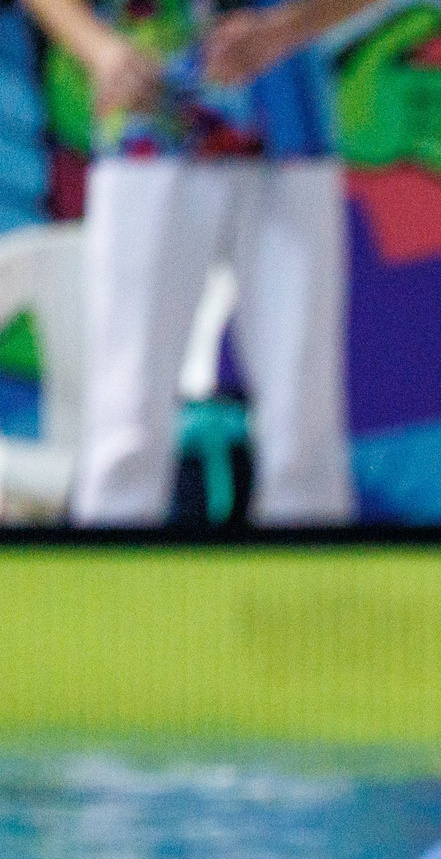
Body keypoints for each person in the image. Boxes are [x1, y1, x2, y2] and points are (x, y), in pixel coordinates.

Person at [23, 0, 379, 525]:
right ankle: (112, 590)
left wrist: (285, 28)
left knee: (302, 415)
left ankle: (306, 590)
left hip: (288, 119)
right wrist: (97, 48)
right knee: (127, 411)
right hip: (147, 123)